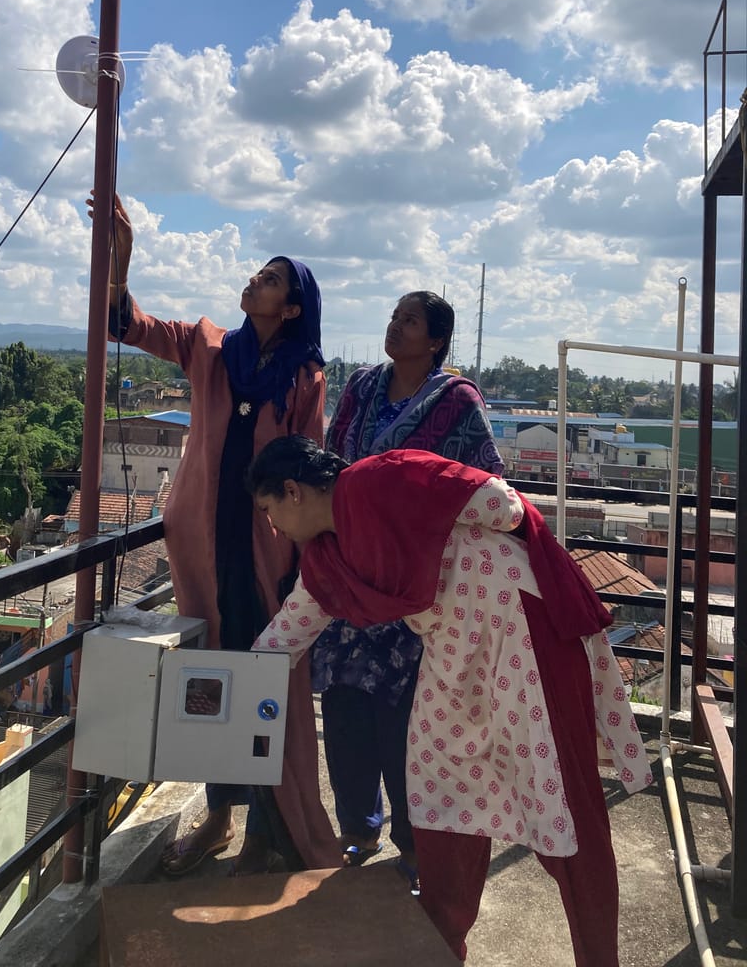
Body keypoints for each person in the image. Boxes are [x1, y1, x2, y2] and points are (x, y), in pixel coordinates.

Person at [247, 436, 652, 966]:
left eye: (269, 509)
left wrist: (446, 545)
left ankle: (599, 959)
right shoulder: (328, 557)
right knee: (439, 781)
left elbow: (501, 504)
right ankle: (441, 943)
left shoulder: (382, 476)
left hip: (519, 628)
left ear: (293, 491)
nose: (273, 526)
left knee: (559, 796)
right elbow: (290, 630)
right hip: (454, 650)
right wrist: (229, 684)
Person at [98, 194, 340, 877]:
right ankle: (218, 819)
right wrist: (122, 255)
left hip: (269, 551)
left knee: (266, 678)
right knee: (211, 679)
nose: (254, 282)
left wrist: (303, 557)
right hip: (203, 546)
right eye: (257, 274)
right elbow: (130, 326)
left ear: (291, 309)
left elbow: (309, 466)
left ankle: (275, 824)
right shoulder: (209, 345)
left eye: (271, 280)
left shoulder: (302, 376)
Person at [318, 292, 504, 884]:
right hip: (352, 576)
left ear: (436, 342)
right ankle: (357, 826)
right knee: (345, 706)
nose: (395, 327)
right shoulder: (362, 388)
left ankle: (414, 841)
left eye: (410, 321)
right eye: (394, 316)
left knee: (406, 719)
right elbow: (330, 465)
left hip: (415, 587)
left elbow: (485, 483)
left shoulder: (458, 402)